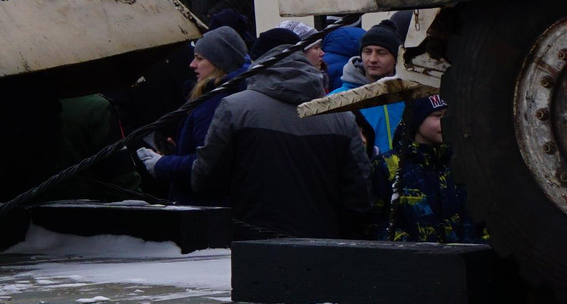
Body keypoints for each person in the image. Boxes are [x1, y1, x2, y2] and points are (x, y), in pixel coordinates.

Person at [191, 26, 373, 238]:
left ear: (257, 62)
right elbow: (359, 193)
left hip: (254, 245)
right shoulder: (341, 116)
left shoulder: (235, 109)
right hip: (324, 246)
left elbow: (204, 179)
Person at [135, 27, 246, 196]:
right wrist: (177, 152)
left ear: (219, 63)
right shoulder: (215, 97)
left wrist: (162, 163)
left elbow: (207, 163)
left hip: (202, 208)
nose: (192, 64)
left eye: (199, 58)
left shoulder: (215, 104)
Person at [384, 95, 482, 243]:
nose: (445, 121)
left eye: (448, 115)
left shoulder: (465, 162)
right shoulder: (389, 165)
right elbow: (381, 222)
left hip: (468, 260)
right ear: (417, 120)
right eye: (437, 116)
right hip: (416, 261)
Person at [339, 23, 408, 160]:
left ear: (396, 58)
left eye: (382, 52)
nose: (372, 59)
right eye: (367, 51)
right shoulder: (339, 99)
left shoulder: (410, 95)